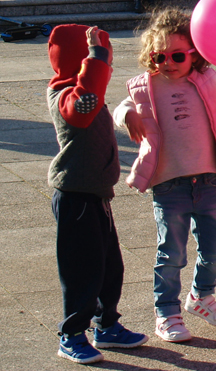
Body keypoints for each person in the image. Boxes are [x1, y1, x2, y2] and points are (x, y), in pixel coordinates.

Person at [112, 7, 216, 343]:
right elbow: (121, 106)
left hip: (208, 180)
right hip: (168, 184)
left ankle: (201, 295)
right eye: (159, 57)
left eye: (177, 55)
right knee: (172, 253)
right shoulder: (148, 86)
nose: (167, 63)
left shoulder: (207, 80)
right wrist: (127, 116)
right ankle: (166, 312)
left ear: (194, 54)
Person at [46, 23, 148, 364]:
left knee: (109, 267)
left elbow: (91, 90)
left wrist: (97, 58)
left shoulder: (86, 91)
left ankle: (106, 325)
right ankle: (72, 334)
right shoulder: (66, 95)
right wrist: (97, 55)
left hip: (97, 195)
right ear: (81, 62)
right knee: (82, 270)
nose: (108, 67)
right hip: (75, 196)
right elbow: (84, 103)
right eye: (101, 60)